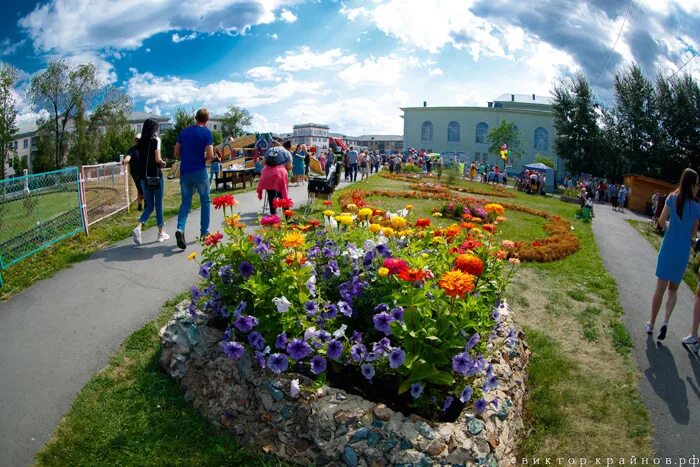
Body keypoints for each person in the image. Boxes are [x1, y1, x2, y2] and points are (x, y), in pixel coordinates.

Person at [646, 169, 700, 341]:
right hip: (682, 251)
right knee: (673, 290)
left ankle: (651, 323)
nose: (699, 188)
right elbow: (693, 234)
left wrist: (671, 227)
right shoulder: (697, 207)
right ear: (691, 184)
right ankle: (666, 321)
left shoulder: (671, 198)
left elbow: (661, 221)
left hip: (668, 247)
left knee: (659, 288)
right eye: (697, 184)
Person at [174, 108, 214, 250]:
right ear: (207, 120)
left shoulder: (184, 132)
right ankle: (204, 233)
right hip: (200, 172)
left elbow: (176, 152)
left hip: (185, 172)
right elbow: (210, 155)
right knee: (205, 201)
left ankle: (180, 229)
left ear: (195, 117)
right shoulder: (206, 133)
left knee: (185, 203)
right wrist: (203, 158)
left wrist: (186, 157)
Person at [132, 119, 168, 246]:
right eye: (156, 128)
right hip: (155, 176)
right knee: (158, 205)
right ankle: (160, 233)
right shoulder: (155, 140)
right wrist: (164, 163)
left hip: (143, 178)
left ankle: (139, 227)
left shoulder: (140, 143)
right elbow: (158, 160)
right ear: (153, 129)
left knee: (150, 206)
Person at [257, 141, 293, 215]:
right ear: (288, 148)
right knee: (283, 196)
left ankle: (273, 218)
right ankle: (287, 218)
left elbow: (263, 163)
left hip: (267, 174)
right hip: (280, 174)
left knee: (271, 195)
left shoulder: (270, 149)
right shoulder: (287, 152)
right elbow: (289, 167)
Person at [123, 133, 144, 211]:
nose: (137, 141)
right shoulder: (132, 149)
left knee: (141, 189)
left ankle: (140, 206)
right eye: (136, 139)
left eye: (138, 139)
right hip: (136, 173)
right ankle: (146, 205)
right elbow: (128, 157)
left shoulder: (144, 149)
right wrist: (125, 160)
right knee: (142, 189)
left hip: (144, 172)